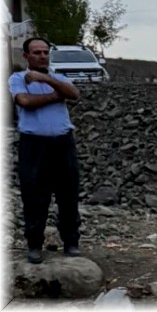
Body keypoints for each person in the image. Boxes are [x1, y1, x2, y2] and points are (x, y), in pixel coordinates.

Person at [9, 37, 83, 264]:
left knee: (68, 194)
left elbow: (74, 94)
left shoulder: (57, 77)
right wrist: (55, 96)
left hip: (63, 143)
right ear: (26, 56)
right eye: (37, 52)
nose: (42, 56)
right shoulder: (18, 78)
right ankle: (34, 245)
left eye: (45, 52)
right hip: (34, 145)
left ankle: (71, 242)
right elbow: (25, 101)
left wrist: (44, 78)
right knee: (34, 196)